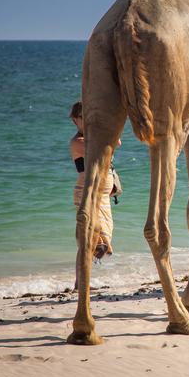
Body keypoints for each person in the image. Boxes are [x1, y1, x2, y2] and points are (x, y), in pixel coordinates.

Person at [69, 101, 121, 264]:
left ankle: (82, 281)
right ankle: (81, 281)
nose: (87, 120)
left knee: (103, 234)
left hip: (103, 194)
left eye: (90, 116)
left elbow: (116, 142)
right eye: (83, 117)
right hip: (87, 192)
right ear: (74, 120)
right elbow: (105, 147)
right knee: (91, 240)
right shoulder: (78, 142)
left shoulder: (96, 138)